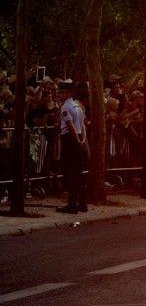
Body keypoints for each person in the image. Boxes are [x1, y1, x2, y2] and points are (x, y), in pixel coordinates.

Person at [57, 80, 88, 213]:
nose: (60, 94)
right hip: (79, 139)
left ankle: (72, 204)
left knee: (70, 173)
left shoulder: (66, 107)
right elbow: (83, 125)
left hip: (69, 141)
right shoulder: (77, 106)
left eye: (62, 92)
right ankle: (82, 203)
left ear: (69, 93)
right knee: (78, 173)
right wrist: (83, 140)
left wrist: (77, 141)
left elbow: (71, 127)